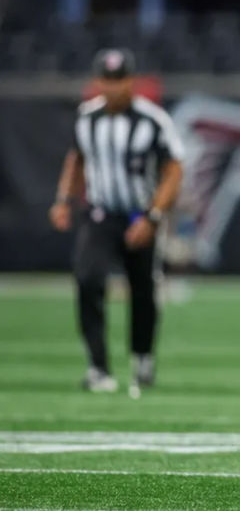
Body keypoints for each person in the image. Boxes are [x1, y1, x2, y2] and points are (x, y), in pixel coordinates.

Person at [49, 48, 184, 395]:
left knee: (143, 289)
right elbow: (76, 159)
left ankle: (142, 358)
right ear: (97, 82)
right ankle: (98, 366)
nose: (113, 88)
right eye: (107, 80)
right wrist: (64, 199)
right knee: (87, 278)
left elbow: (173, 170)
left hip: (140, 214)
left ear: (131, 81)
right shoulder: (87, 118)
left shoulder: (153, 120)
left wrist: (153, 216)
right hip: (100, 213)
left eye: (119, 80)